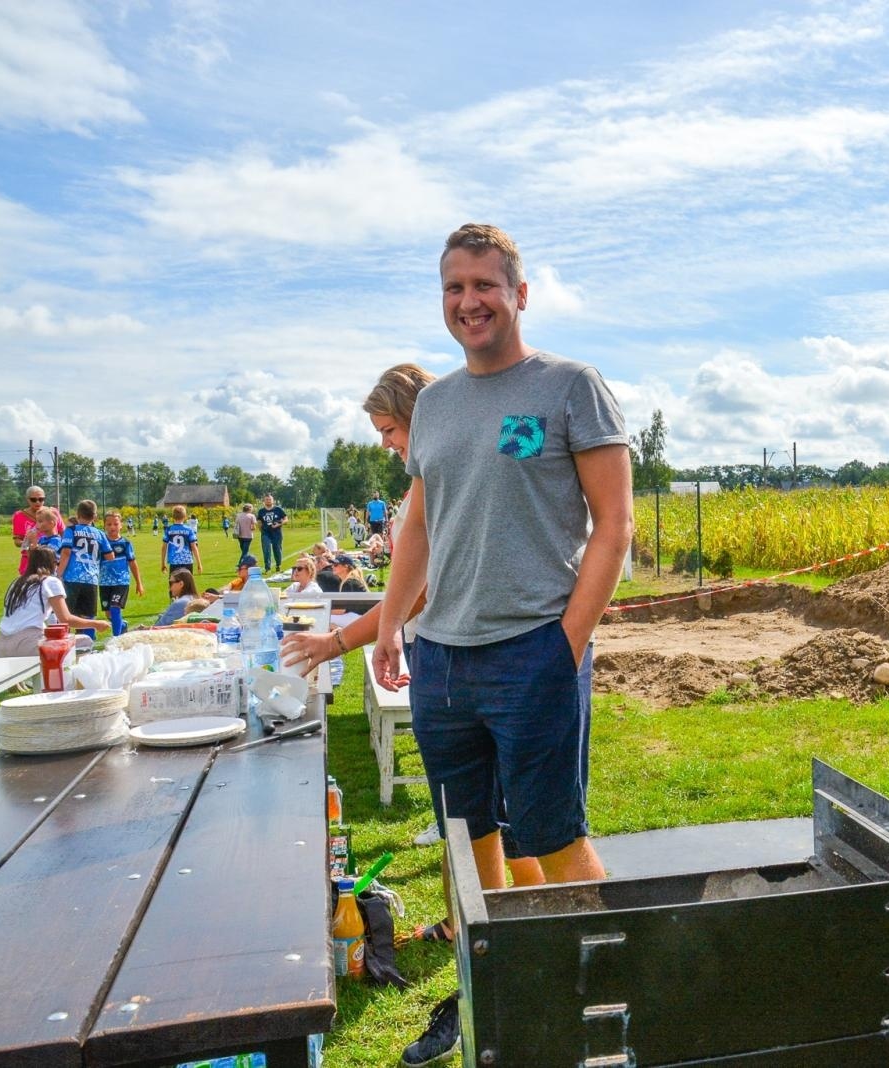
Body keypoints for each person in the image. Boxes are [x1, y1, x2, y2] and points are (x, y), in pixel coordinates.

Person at [370, 224, 632, 1067]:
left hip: (532, 653)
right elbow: (418, 525)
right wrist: (391, 622)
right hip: (441, 662)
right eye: (454, 287)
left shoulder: (570, 388)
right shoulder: (436, 404)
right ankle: (491, 994)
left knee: (552, 839)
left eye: (484, 285)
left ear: (519, 294)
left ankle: (612, 1003)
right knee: (469, 842)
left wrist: (566, 643)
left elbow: (614, 526)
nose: (469, 301)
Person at [283, 364, 438, 847]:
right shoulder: (422, 480)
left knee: (478, 806)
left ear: (418, 417)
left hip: (443, 646)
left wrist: (337, 642)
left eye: (389, 430)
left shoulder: (439, 480)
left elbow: (420, 590)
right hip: (428, 641)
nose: (385, 444)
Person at [0, 548, 109, 657]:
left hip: (1, 644)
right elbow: (66, 619)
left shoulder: (16, 582)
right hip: (28, 643)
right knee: (84, 641)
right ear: (52, 564)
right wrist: (96, 624)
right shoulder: (50, 581)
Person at [57, 499, 113, 640]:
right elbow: (110, 556)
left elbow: (66, 552)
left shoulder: (71, 530)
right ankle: (87, 644)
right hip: (91, 579)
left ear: (77, 515)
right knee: (88, 615)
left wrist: (59, 574)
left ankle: (65, 644)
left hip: (72, 577)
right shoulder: (100, 534)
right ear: (95, 516)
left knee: (66, 615)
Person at [99, 510, 143, 637]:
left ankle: (116, 638)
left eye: (115, 524)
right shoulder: (101, 543)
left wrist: (139, 583)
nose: (112, 527)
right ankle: (122, 625)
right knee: (108, 613)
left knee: (115, 608)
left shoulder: (125, 543)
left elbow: (132, 563)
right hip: (104, 582)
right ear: (104, 525)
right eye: (109, 524)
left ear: (121, 525)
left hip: (121, 582)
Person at [12, 486, 61, 575]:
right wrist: (27, 542)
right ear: (27, 499)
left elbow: (63, 533)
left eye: (41, 499)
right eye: (33, 499)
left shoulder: (53, 512)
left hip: (50, 567)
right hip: (29, 562)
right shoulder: (19, 516)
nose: (38, 502)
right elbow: (17, 541)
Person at [162, 506, 201, 576]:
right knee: (188, 583)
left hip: (174, 562)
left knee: (174, 582)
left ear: (173, 517)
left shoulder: (169, 529)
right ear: (185, 517)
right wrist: (199, 563)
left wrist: (163, 563)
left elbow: (164, 547)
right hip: (187, 561)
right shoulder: (189, 530)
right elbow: (194, 547)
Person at [257, 494, 286, 572]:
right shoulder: (261, 511)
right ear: (264, 501)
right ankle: (267, 568)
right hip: (265, 533)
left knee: (277, 549)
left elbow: (286, 519)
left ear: (273, 500)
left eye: (270, 499)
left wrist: (279, 524)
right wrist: (261, 530)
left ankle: (278, 565)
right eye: (267, 499)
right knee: (266, 549)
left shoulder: (278, 509)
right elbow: (259, 522)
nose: (268, 501)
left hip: (277, 533)